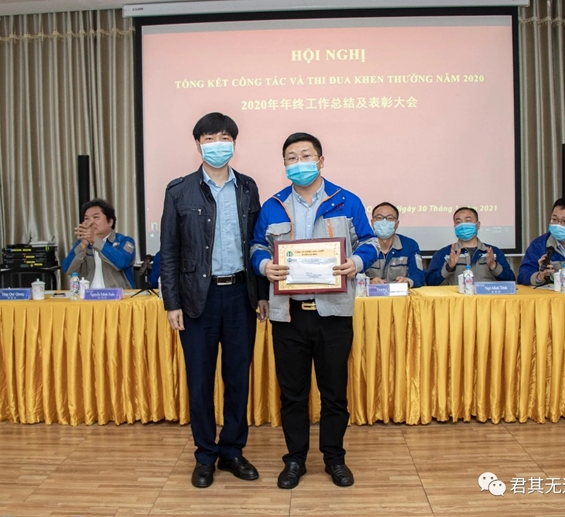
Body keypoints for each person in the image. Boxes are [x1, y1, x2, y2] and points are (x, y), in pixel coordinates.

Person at [250, 132, 378, 489]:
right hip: (288, 314)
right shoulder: (273, 205)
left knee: (334, 393)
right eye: (291, 158)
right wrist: (264, 266)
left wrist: (356, 262)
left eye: (306, 156)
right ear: (284, 165)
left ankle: (334, 459)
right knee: (292, 394)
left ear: (321, 161)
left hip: (333, 314)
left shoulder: (346, 200)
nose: (299, 163)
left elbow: (369, 242)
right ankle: (295, 460)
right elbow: (257, 246)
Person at [160, 112, 268, 489]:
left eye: (224, 137)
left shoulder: (248, 187)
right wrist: (171, 303)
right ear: (198, 144)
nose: (217, 144)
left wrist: (262, 294)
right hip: (196, 299)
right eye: (209, 138)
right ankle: (205, 454)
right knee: (200, 381)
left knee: (238, 379)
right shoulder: (179, 190)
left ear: (234, 143)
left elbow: (258, 244)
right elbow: (169, 251)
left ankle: (232, 451)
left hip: (240, 294)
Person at [426, 206, 515, 286]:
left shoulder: (493, 252)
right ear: (455, 226)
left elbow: (511, 281)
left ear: (478, 225)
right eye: (458, 222)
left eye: (468, 221)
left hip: (487, 299)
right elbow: (430, 282)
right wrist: (448, 267)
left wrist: (494, 266)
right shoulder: (444, 254)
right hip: (456, 299)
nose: (463, 225)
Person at [62, 198, 136, 289]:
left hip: (118, 296)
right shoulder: (82, 243)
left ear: (110, 222)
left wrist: (96, 240)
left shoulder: (125, 241)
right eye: (86, 218)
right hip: (88, 295)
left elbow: (122, 263)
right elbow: (67, 269)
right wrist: (83, 245)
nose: (90, 222)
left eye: (96, 217)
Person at [365, 202, 425, 287]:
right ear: (372, 222)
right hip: (370, 294)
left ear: (396, 224)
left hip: (400, 294)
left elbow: (419, 275)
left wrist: (407, 281)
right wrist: (369, 281)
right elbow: (354, 275)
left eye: (390, 218)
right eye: (379, 218)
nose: (384, 222)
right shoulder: (362, 246)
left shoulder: (410, 245)